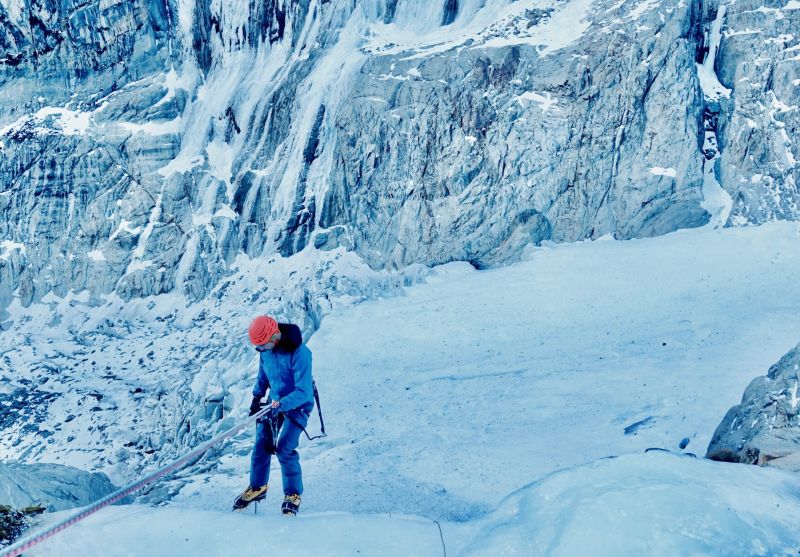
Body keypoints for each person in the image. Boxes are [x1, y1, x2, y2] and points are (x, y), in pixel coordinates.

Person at [233, 315, 314, 515]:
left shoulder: (300, 353)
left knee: (285, 448)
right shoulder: (266, 351)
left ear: (275, 337)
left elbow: (304, 391)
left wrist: (281, 406)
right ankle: (257, 486)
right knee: (261, 444)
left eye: (262, 346)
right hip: (274, 402)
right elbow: (263, 374)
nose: (260, 350)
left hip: (298, 404)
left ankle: (293, 493)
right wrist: (257, 396)